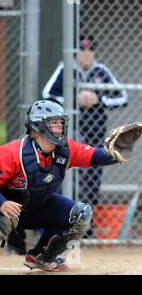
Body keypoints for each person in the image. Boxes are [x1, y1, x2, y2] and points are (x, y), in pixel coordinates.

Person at [0, 100, 123, 271]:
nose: (60, 127)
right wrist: (2, 203)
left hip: (33, 209)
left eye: (61, 122)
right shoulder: (14, 152)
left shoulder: (65, 149)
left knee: (80, 214)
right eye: (54, 123)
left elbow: (95, 156)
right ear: (38, 125)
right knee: (4, 217)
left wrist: (117, 152)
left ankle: (41, 257)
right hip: (7, 210)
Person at [42, 36, 128, 206]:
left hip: (95, 131)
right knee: (72, 176)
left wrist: (99, 99)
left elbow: (123, 97)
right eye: (82, 51)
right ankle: (70, 214)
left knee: (94, 177)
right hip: (71, 132)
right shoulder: (65, 69)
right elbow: (46, 95)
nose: (87, 55)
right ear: (76, 52)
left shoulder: (101, 71)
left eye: (90, 51)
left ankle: (91, 220)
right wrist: (75, 98)